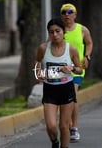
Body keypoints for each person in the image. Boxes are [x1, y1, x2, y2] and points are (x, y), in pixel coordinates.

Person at [35, 18, 83, 148]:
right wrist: (38, 73)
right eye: (51, 32)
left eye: (58, 31)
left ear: (63, 32)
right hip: (50, 90)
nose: (55, 35)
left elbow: (80, 69)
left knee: (64, 126)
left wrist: (72, 68)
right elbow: (37, 62)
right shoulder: (43, 48)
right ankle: (55, 142)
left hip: (66, 89)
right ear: (48, 34)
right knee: (51, 126)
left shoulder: (71, 50)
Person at [60, 3, 93, 142]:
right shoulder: (58, 31)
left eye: (69, 11)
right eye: (64, 12)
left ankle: (73, 127)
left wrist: (87, 56)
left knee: (72, 95)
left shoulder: (82, 29)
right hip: (61, 70)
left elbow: (89, 43)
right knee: (64, 98)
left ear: (75, 14)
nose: (67, 14)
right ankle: (64, 126)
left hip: (77, 69)